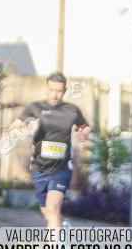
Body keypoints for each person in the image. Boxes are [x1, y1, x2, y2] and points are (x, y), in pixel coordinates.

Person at [10, 72, 91, 229]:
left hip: (61, 168)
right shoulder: (35, 108)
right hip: (39, 168)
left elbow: (86, 126)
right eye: (52, 90)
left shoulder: (72, 110)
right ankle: (63, 234)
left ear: (65, 90)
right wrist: (27, 127)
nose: (55, 95)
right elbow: (13, 126)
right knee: (48, 212)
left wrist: (84, 133)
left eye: (59, 91)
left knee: (53, 208)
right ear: (46, 88)